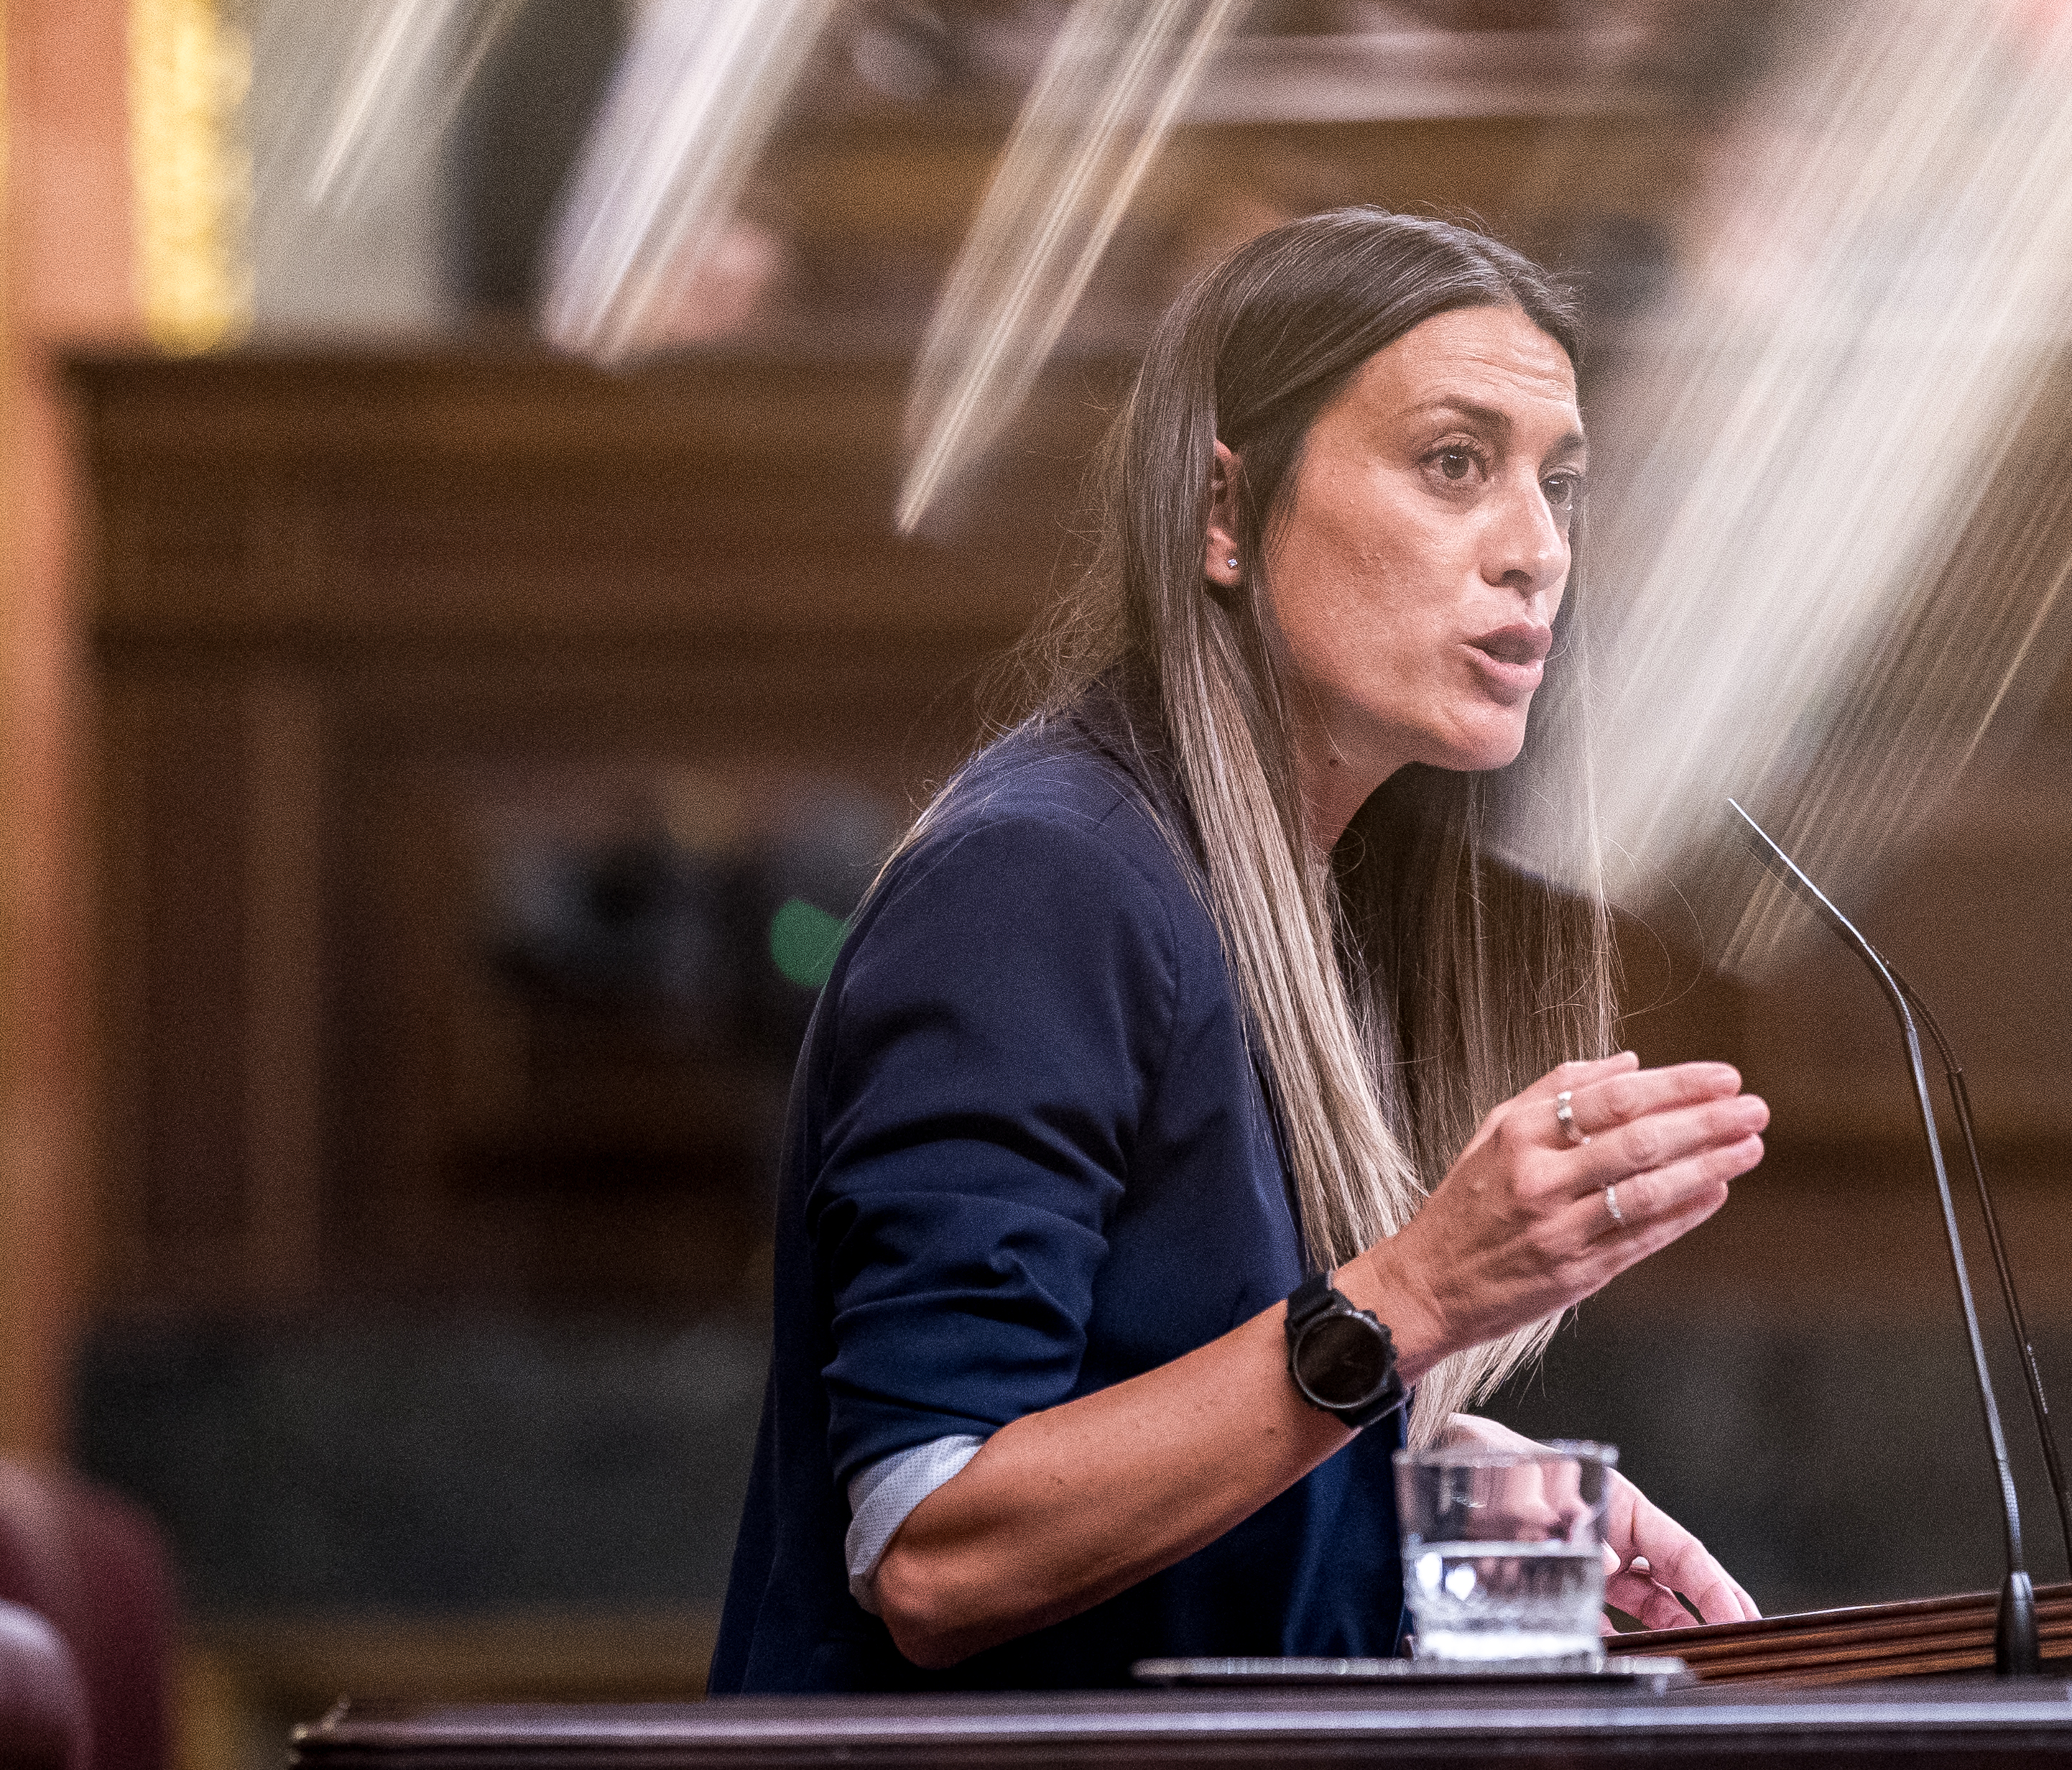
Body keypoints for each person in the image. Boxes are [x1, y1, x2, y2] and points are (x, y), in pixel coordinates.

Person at [710, 209, 1771, 1693]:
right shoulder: (1040, 881)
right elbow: (931, 1544)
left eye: (1561, 486)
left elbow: (1156, 1388)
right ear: (1223, 509)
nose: (1537, 552)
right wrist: (1403, 1309)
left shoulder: (1293, 891)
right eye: (1455, 462)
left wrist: (1396, 1463)